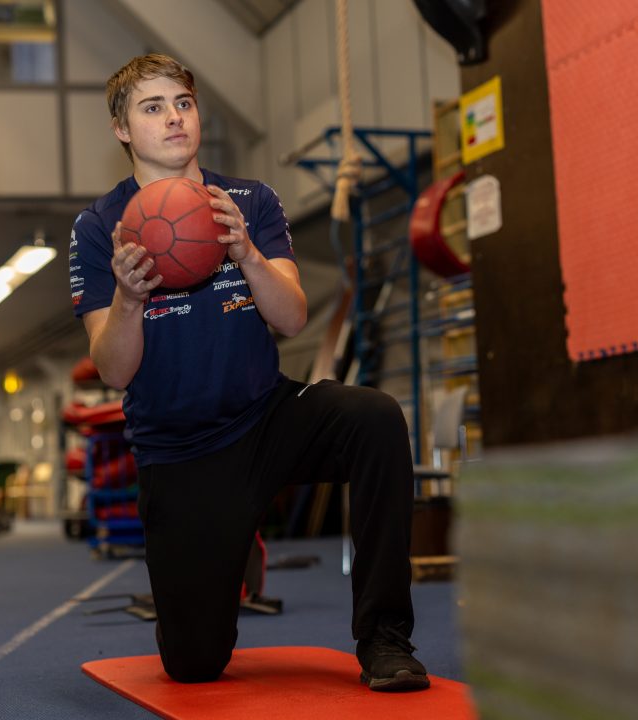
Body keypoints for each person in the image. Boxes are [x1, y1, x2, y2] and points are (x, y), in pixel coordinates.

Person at [69, 53, 429, 692]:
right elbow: (116, 370)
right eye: (153, 107)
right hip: (181, 451)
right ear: (121, 128)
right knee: (194, 665)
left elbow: (292, 318)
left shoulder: (250, 201)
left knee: (374, 418)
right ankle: (212, 569)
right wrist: (127, 298)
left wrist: (248, 254)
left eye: (183, 103)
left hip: (268, 418)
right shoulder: (101, 227)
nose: (174, 118)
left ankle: (385, 638)